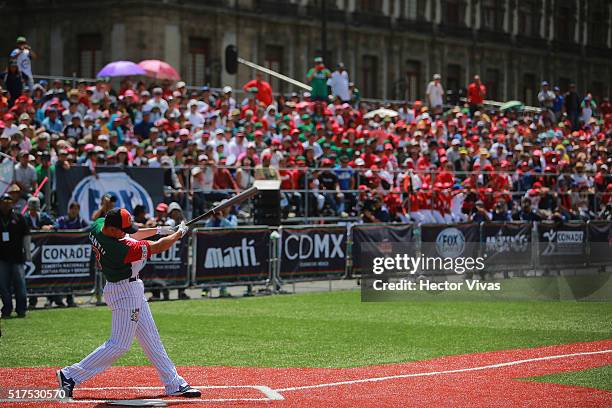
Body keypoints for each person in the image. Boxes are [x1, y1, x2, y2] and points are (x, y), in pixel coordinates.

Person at [56, 208, 201, 399]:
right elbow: (157, 247)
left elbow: (133, 233)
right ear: (113, 229)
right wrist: (178, 234)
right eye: (123, 229)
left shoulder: (99, 226)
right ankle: (70, 375)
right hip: (125, 293)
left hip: (128, 288)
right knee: (119, 344)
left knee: (151, 338)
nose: (127, 232)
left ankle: (173, 383)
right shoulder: (120, 250)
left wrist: (159, 229)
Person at [0, 193, 31, 319]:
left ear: (12, 203)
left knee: (20, 285)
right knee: (3, 287)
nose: (7, 204)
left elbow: (26, 236)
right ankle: (6, 309)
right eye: (4, 202)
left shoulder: (19, 218)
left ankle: (21, 309)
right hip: (2, 258)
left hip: (17, 258)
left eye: (9, 202)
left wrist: (28, 253)